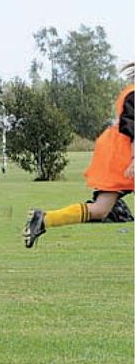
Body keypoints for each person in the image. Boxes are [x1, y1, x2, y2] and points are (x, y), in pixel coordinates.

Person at [24, 67, 134, 248]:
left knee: (100, 210)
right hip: (120, 156)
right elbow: (132, 129)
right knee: (101, 209)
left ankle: (45, 219)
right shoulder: (133, 94)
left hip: (114, 154)